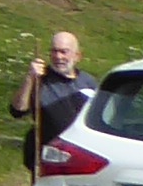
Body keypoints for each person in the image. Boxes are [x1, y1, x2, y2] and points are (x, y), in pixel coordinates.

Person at [13, 28, 90, 167]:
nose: (58, 57)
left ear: (77, 56)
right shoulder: (40, 80)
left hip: (80, 157)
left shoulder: (88, 82)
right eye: (54, 51)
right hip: (47, 159)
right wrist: (30, 78)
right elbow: (17, 110)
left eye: (64, 52)